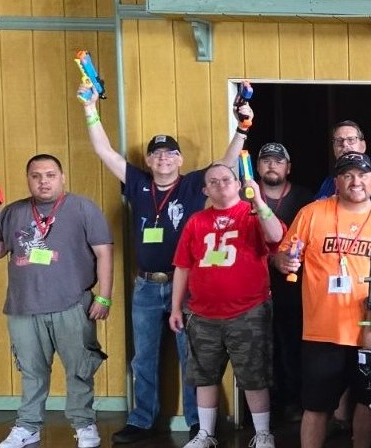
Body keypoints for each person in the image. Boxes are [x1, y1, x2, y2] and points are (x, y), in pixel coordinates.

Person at [80, 84, 246, 441]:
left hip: (185, 284)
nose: (164, 158)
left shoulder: (191, 185)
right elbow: (103, 150)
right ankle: (141, 420)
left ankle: (198, 423)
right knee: (143, 358)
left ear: (181, 160)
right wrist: (90, 107)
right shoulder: (138, 181)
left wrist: (242, 128)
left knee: (192, 356)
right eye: (157, 154)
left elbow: (227, 164)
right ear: (149, 160)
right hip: (145, 286)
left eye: (171, 153)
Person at [273, 152, 371, 448]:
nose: (355, 181)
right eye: (347, 175)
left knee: (367, 402)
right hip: (323, 331)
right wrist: (283, 261)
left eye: (361, 175)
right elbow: (284, 254)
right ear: (337, 182)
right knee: (316, 405)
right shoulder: (312, 213)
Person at [0, 155, 113, 448]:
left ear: (62, 177)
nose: (43, 181)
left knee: (80, 368)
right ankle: (28, 426)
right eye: (36, 175)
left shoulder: (83, 208)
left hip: (72, 304)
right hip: (23, 307)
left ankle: (84, 425)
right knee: (31, 371)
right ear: (28, 178)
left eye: (50, 174)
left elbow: (104, 252)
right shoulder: (14, 211)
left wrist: (104, 296)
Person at [168, 164, 285, 448]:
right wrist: (175, 308)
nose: (220, 185)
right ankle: (205, 434)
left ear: (237, 184)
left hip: (248, 311)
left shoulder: (252, 214)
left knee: (253, 375)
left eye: (226, 179)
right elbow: (183, 266)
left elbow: (276, 236)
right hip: (202, 314)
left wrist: (257, 199)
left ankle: (262, 433)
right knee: (204, 375)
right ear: (205, 190)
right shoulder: (196, 221)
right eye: (213, 182)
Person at [254, 142, 316, 420]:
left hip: (293, 286)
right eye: (266, 160)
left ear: (288, 167)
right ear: (257, 167)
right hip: (252, 287)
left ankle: (292, 402)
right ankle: (263, 409)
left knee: (290, 346)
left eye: (278, 161)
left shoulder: (306, 198)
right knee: (258, 348)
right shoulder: (246, 198)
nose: (271, 165)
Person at [314, 120, 371, 206]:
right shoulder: (329, 181)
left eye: (351, 140)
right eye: (339, 140)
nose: (344, 144)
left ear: (363, 146)